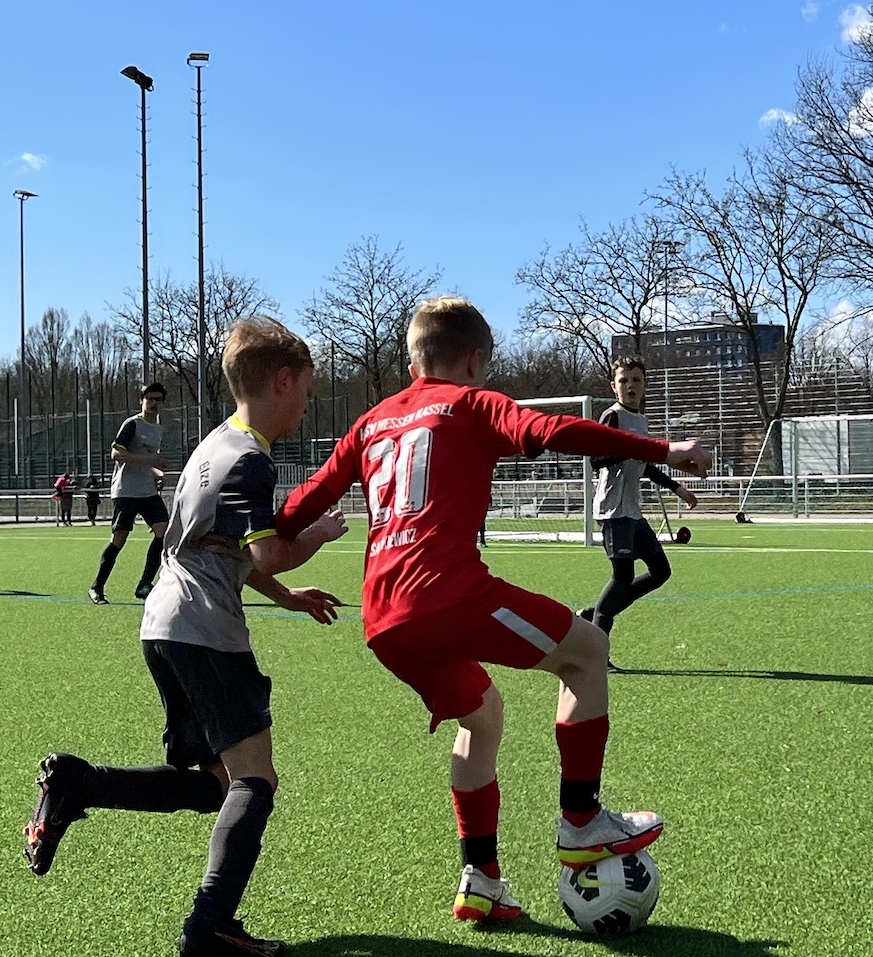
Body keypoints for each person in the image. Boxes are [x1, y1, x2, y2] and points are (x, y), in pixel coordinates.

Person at [275, 296, 712, 923]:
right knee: (588, 651)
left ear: (413, 361)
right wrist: (666, 450)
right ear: (477, 360)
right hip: (448, 594)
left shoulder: (369, 423)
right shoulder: (473, 402)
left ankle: (480, 879)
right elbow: (555, 432)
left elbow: (301, 504)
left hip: (382, 619)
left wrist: (254, 532)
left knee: (481, 717)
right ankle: (582, 820)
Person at [24, 316, 348, 957]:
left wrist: (288, 598)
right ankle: (210, 926)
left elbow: (219, 549)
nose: (307, 405)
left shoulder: (212, 446)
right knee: (255, 779)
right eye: (307, 390)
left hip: (163, 625)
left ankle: (79, 784)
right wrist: (318, 535)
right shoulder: (252, 460)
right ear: (282, 382)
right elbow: (271, 552)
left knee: (215, 784)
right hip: (205, 629)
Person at [577, 356, 698, 671]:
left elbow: (645, 464)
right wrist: (628, 449)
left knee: (660, 571)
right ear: (613, 386)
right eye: (624, 380)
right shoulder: (612, 417)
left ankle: (594, 615)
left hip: (632, 511)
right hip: (613, 510)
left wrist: (677, 488)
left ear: (645, 386)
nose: (630, 386)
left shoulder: (641, 421)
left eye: (636, 380)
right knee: (623, 577)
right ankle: (595, 654)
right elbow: (595, 459)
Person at [89, 383, 171, 604]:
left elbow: (145, 460)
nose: (153, 403)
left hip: (147, 491)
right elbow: (116, 454)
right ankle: (97, 587)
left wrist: (157, 472)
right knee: (119, 538)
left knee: (164, 532)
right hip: (126, 490)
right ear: (141, 401)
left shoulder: (158, 428)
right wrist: (150, 460)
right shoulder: (132, 424)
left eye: (158, 399)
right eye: (149, 399)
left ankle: (144, 585)